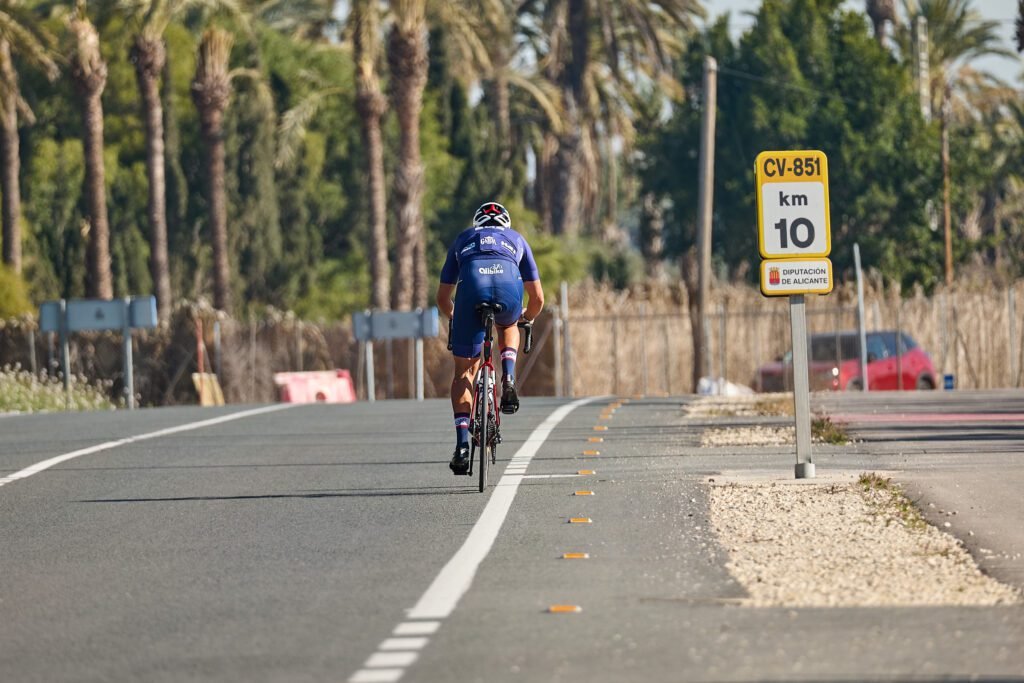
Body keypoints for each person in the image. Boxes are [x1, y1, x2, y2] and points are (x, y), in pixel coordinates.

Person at [436, 202, 544, 475]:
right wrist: (526, 318)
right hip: (508, 287)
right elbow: (538, 298)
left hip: (471, 287)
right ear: (504, 225)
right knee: (510, 324)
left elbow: (442, 297)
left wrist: (456, 316)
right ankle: (508, 376)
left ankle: (462, 444)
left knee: (464, 374)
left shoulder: (464, 238)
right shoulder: (516, 238)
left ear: (477, 224)